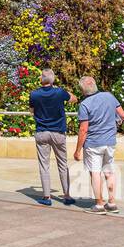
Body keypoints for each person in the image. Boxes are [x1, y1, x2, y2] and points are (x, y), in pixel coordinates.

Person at [71, 76, 124, 214]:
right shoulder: (109, 96)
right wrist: (115, 123)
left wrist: (77, 150)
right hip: (110, 141)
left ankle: (99, 204)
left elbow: (83, 129)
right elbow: (123, 115)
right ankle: (112, 203)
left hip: (93, 144)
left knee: (95, 173)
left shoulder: (84, 105)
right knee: (109, 171)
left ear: (83, 90)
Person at [29, 69, 75, 206]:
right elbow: (73, 99)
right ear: (52, 79)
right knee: (62, 164)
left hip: (42, 132)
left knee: (44, 165)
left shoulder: (34, 94)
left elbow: (32, 111)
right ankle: (66, 196)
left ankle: (46, 196)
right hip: (58, 132)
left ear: (41, 79)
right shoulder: (59, 92)